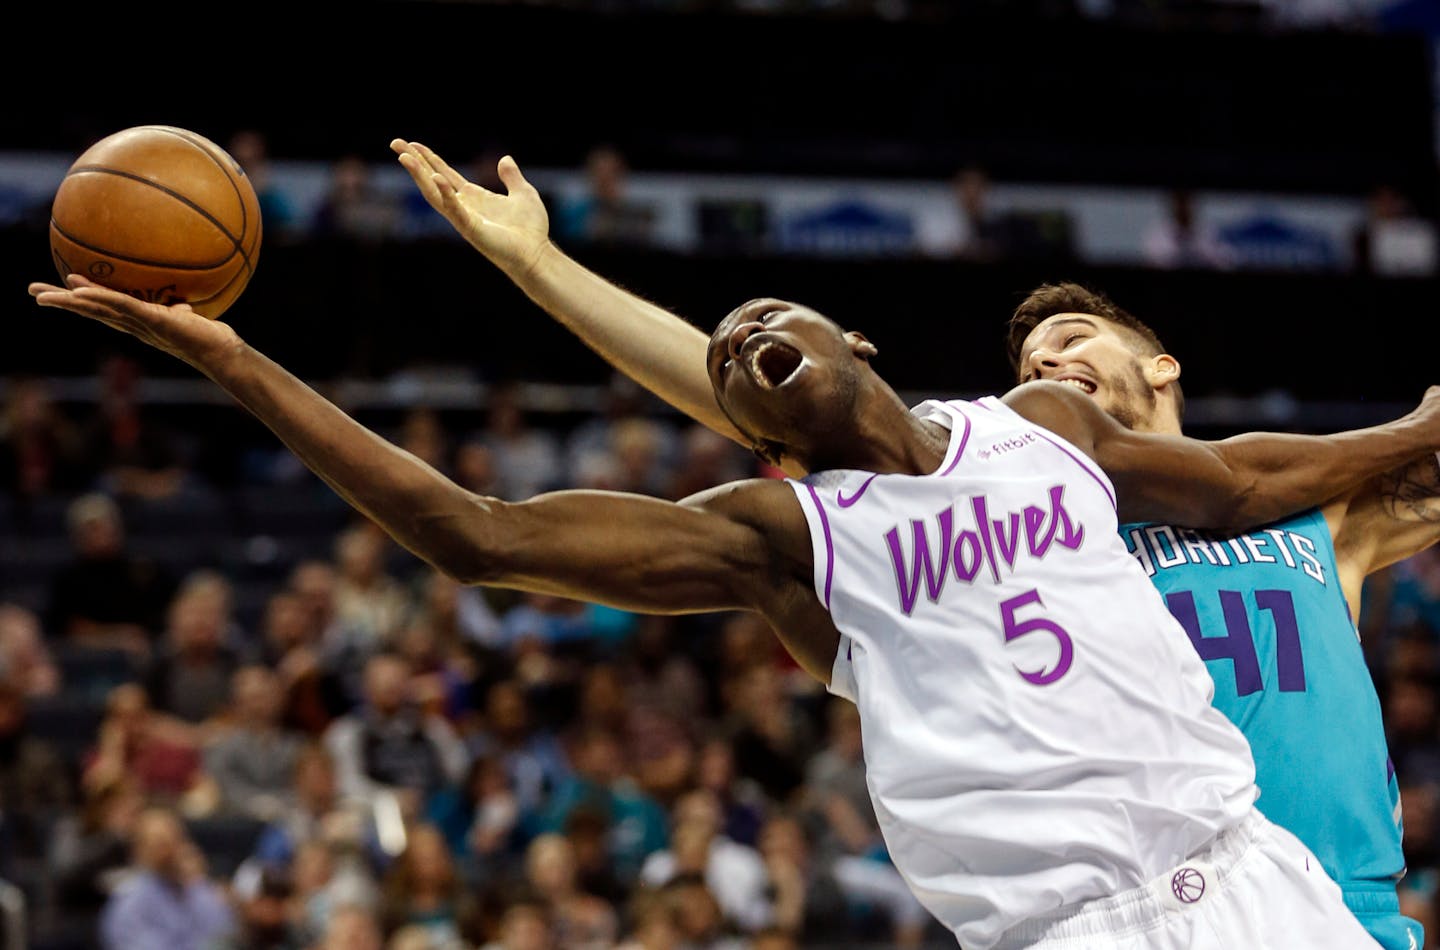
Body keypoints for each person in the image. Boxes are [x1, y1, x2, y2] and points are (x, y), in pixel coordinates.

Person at [29, 258, 1440, 949]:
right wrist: (234, 359)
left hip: (1263, 881)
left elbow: (1249, 478)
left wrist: (1404, 431)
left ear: (857, 341)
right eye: (723, 349)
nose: (744, 337)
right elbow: (477, 534)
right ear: (750, 430)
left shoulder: (1040, 430)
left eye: (769, 316)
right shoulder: (794, 537)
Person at [387, 141, 1439, 950]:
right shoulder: (1030, 502)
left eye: (1071, 342)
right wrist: (542, 267)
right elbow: (756, 396)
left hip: (1327, 904)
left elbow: (1305, 467)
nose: (1045, 360)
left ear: (1160, 366)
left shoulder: (1315, 506)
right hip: (1125, 900)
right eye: (1029, 354)